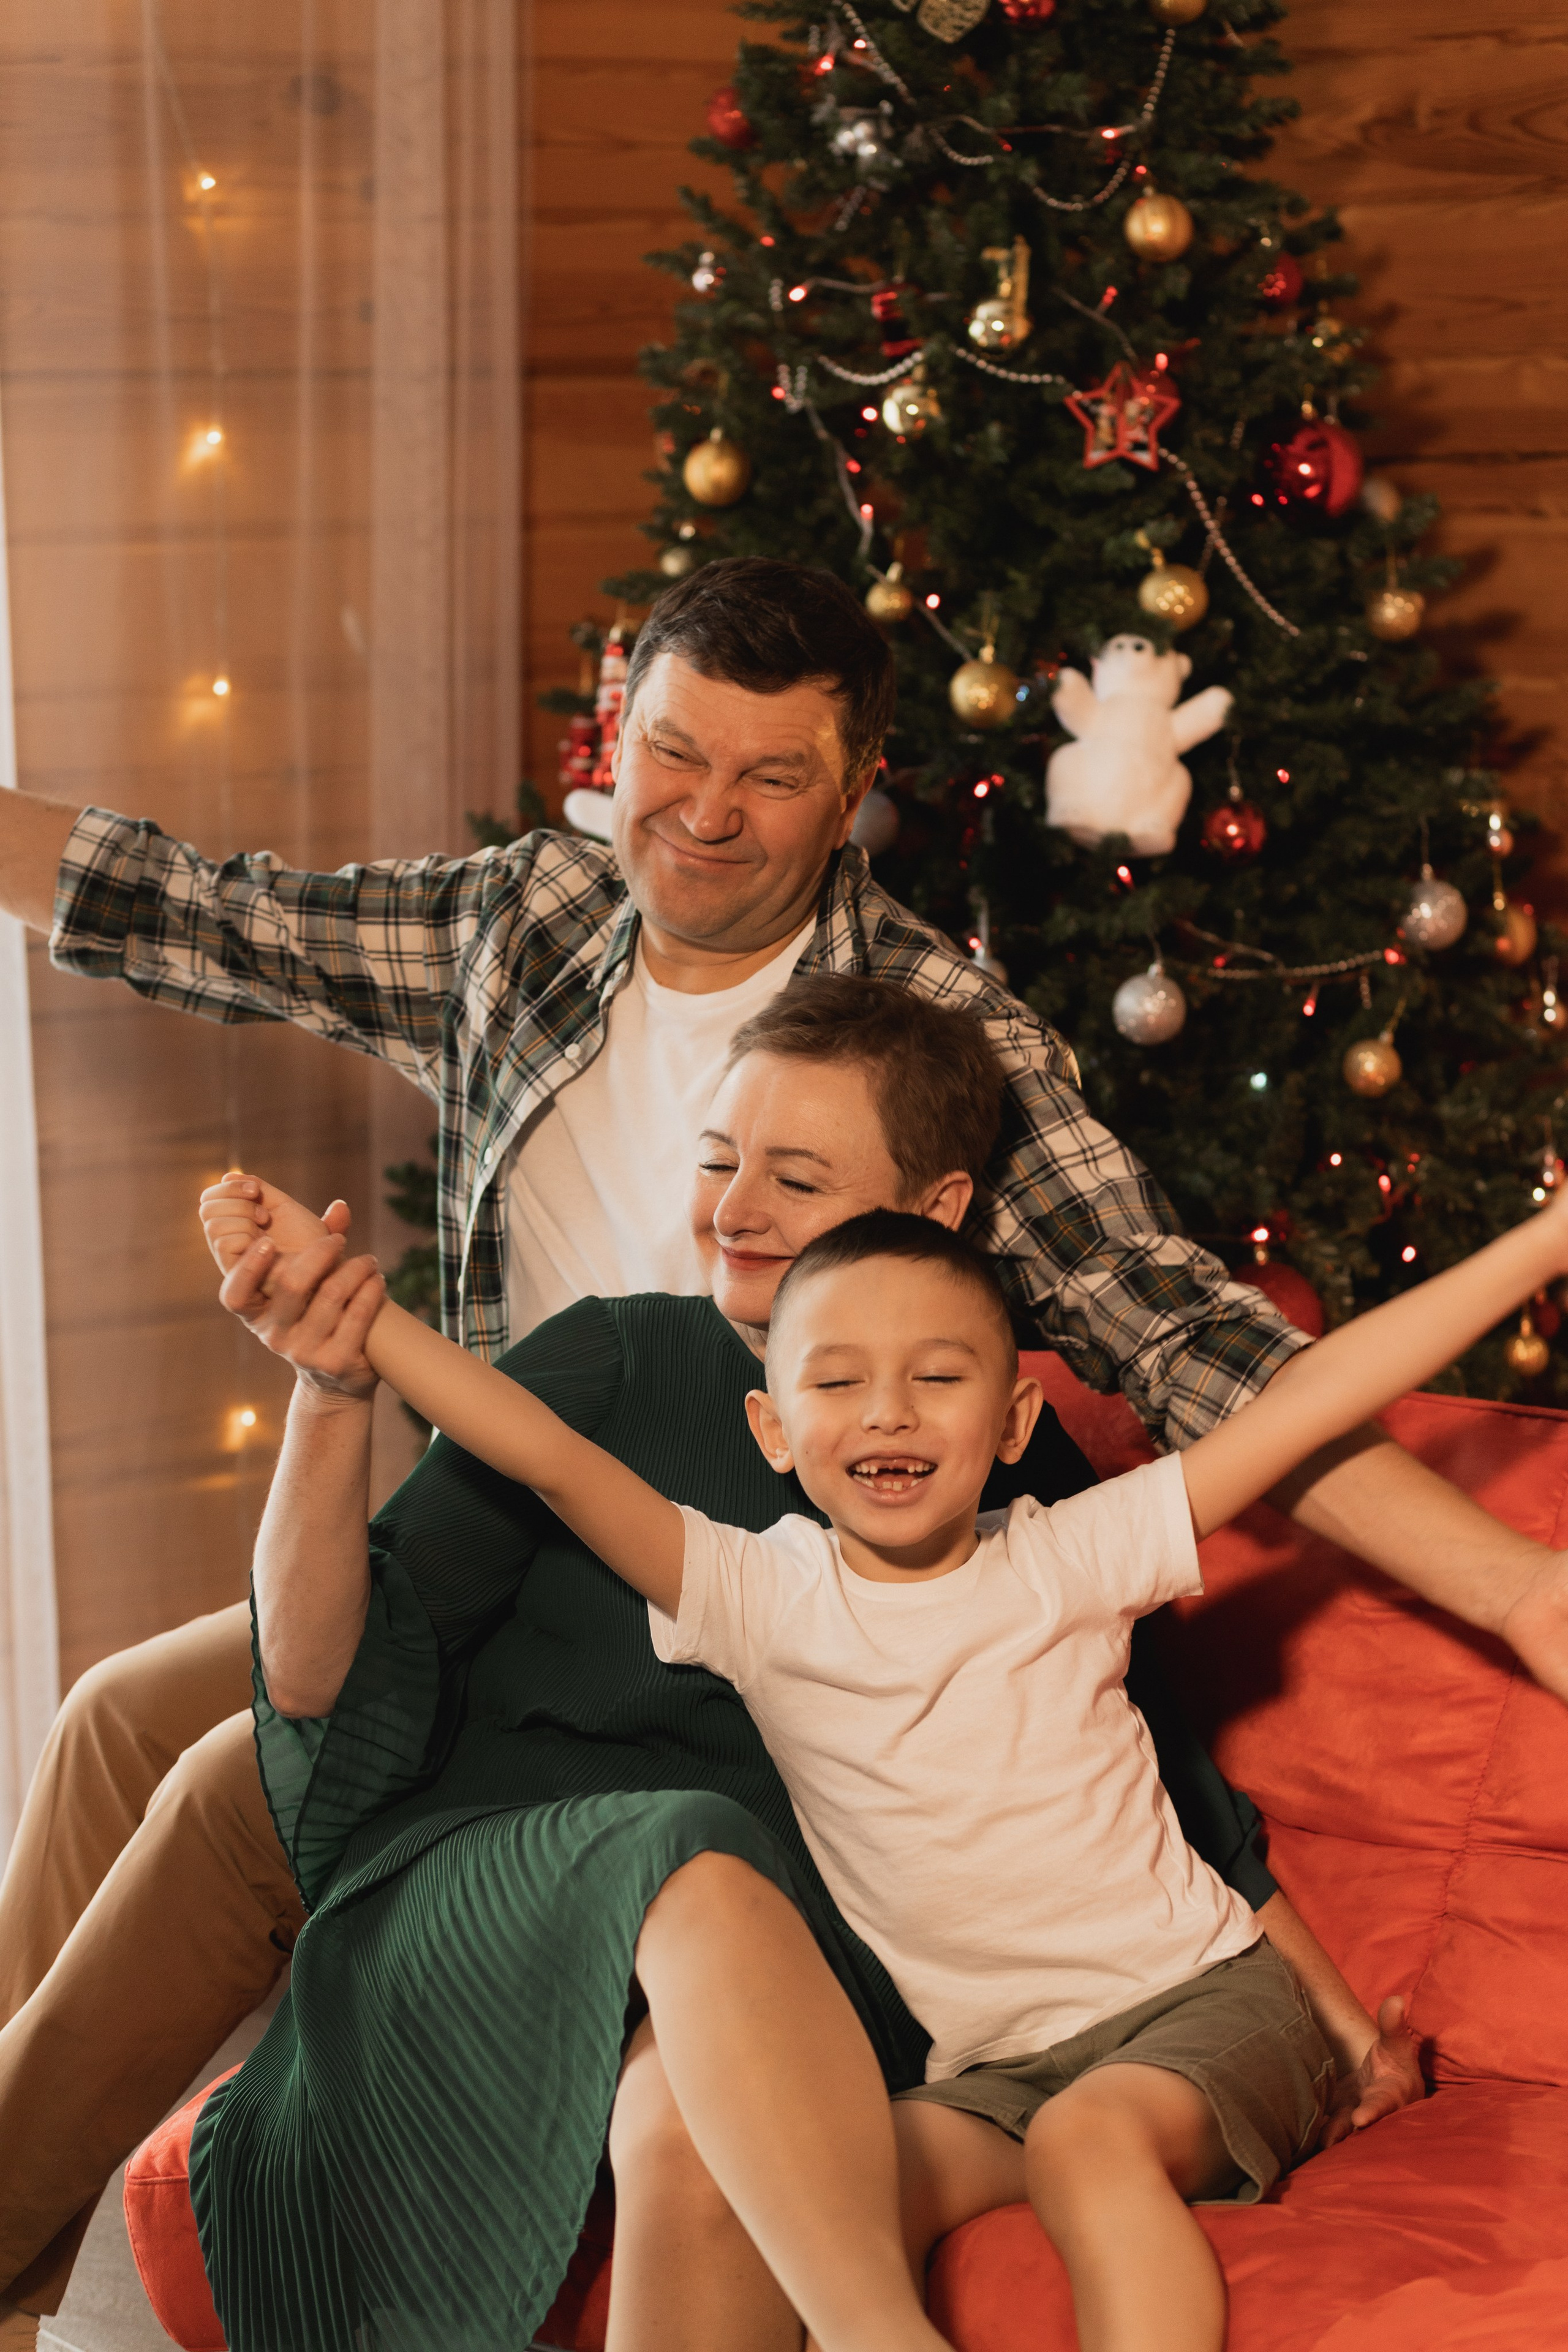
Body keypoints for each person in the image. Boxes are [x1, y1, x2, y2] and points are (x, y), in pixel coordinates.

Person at [0, 560, 1554, 2334]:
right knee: (122, 1718)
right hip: (530, 1539)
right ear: (620, 736)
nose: (707, 813)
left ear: (855, 790)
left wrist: (1515, 1592)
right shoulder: (528, 921)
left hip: (754, 1622)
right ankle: (24, 2267)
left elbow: (1187, 1354)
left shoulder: (931, 1039)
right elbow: (203, 913)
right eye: (674, 754)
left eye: (774, 777)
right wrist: (339, 1363)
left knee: (238, 1787)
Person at [190, 984, 1414, 2352]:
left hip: (1081, 2013)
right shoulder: (735, 1548)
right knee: (786, 2120)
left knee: (952, 2134)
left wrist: (1336, 2028)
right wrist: (344, 1331)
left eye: (797, 1177)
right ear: (772, 1427)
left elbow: (1175, 1772)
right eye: (719, 1162)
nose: (737, 1211)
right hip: (882, 2022)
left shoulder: (1049, 1532)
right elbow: (527, 1477)